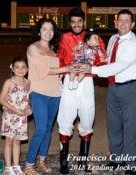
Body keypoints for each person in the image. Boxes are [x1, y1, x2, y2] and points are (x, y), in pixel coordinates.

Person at [80, 9, 136, 175]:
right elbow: (108, 60)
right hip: (113, 88)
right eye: (120, 20)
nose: (122, 23)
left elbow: (117, 66)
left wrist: (91, 68)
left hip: (130, 88)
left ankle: (133, 163)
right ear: (116, 22)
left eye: (126, 20)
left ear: (132, 24)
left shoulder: (134, 44)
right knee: (114, 125)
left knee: (131, 127)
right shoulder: (114, 39)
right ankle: (117, 159)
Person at [23, 18, 77, 175]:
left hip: (55, 93)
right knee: (40, 129)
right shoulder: (33, 48)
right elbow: (44, 69)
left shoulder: (54, 49)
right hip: (38, 92)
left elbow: (58, 70)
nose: (48, 32)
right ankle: (29, 164)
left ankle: (42, 160)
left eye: (51, 29)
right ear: (39, 31)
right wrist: (66, 68)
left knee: (48, 129)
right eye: (45, 29)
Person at [56, 7, 107, 174]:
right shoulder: (64, 38)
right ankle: (64, 161)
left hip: (86, 81)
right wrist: (61, 75)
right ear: (69, 23)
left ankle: (82, 160)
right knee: (66, 117)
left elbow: (103, 60)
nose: (76, 25)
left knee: (87, 116)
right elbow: (60, 58)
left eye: (79, 21)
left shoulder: (94, 38)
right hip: (69, 80)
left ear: (84, 22)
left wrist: (90, 66)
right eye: (73, 22)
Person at [0, 56, 32, 175]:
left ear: (27, 69)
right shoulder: (9, 82)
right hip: (10, 117)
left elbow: (27, 99)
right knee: (9, 141)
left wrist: (28, 108)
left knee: (17, 141)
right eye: (17, 67)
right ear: (12, 69)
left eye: (23, 67)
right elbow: (2, 100)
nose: (20, 70)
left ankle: (16, 166)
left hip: (22, 118)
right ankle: (8, 167)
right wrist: (15, 110)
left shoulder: (28, 82)